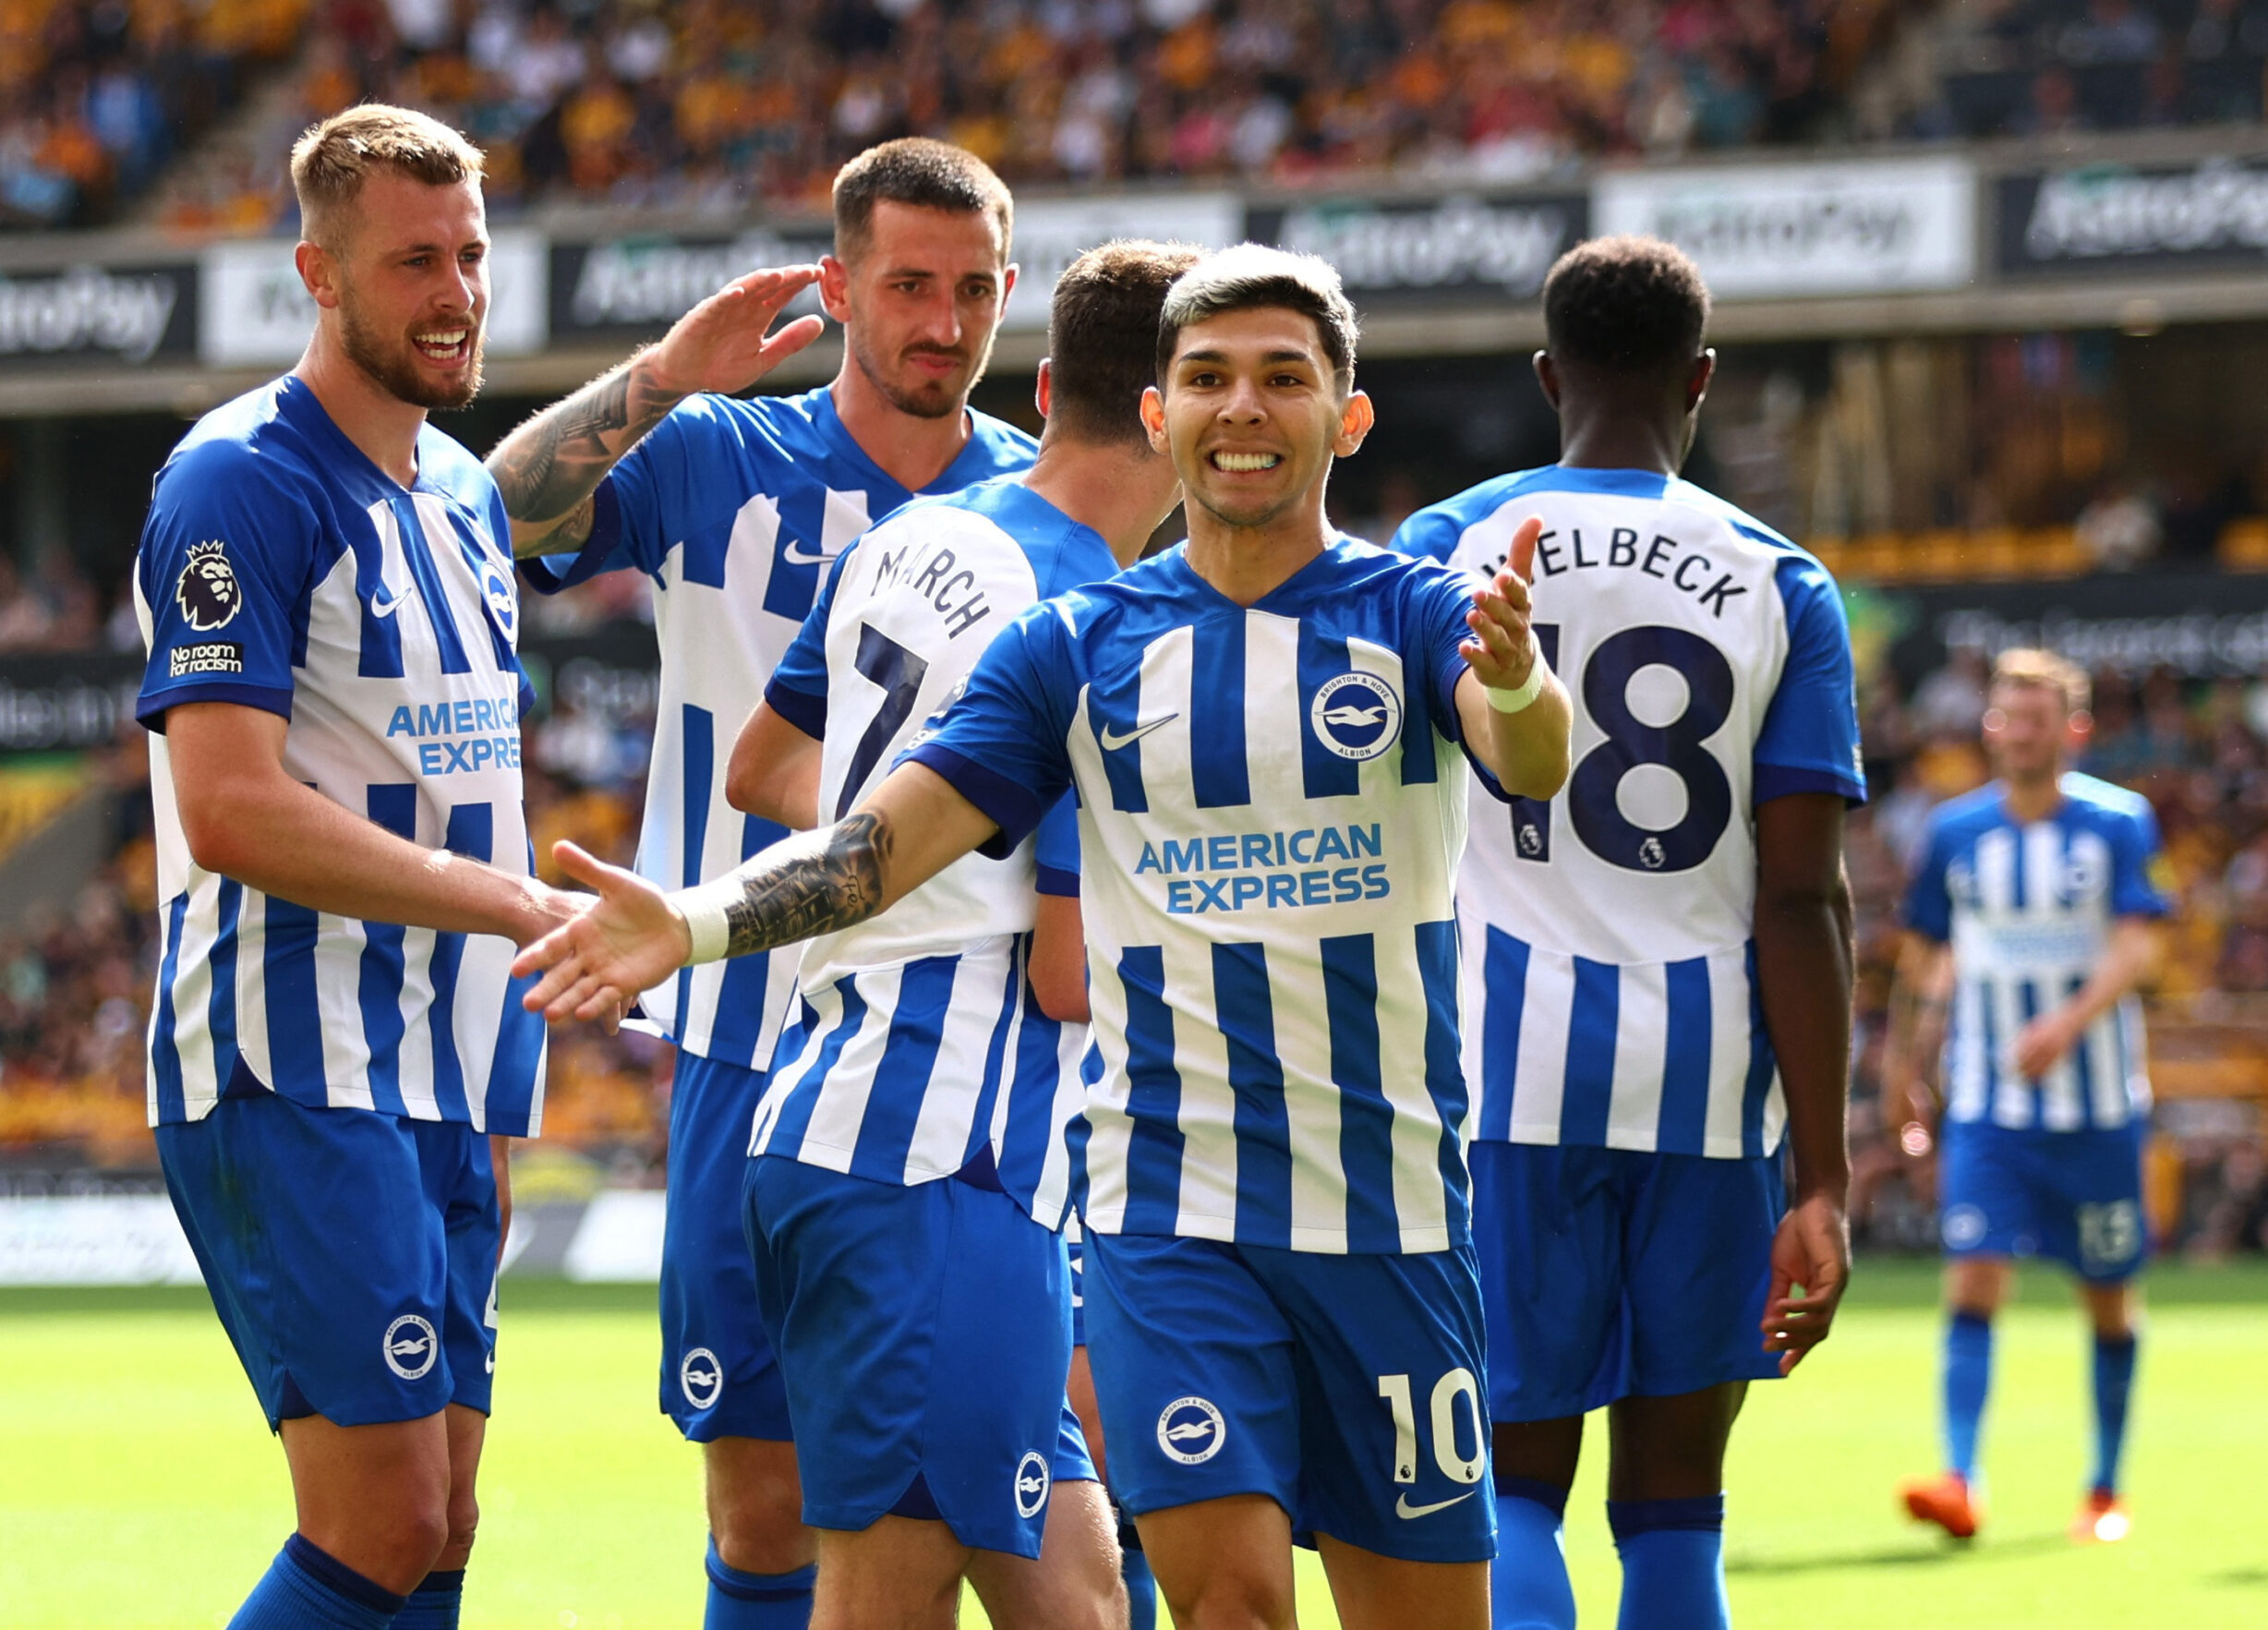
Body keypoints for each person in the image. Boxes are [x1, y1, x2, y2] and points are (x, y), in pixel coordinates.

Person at [512, 243, 1576, 1630]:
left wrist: (1523, 678)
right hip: (1163, 1214)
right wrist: (695, 922)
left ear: (1346, 415)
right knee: (1223, 1607)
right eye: (1206, 378)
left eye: (1281, 379)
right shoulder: (1071, 641)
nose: (1241, 409)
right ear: (1157, 412)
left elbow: (1528, 758)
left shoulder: (1411, 609)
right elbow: (877, 842)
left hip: (1387, 1212)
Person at [484, 138, 1040, 1627]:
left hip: (972, 1054)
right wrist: (666, 374)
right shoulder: (723, 451)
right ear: (839, 287)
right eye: (909, 285)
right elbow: (500, 521)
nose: (944, 322)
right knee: (765, 1504)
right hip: (746, 1031)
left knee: (1029, 1497)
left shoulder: (1048, 509)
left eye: (975, 289)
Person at [718, 238, 1204, 1628]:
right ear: (1174, 415)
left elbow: (765, 767)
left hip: (864, 1126)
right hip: (937, 1153)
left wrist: (941, 843)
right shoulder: (1093, 624)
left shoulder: (913, 533)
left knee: (1082, 1594)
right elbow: (1066, 974)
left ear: (1048, 387)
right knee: (886, 1595)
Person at [135, 104, 576, 1630]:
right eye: (412, 262)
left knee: (444, 1522)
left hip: (453, 1072)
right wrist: (519, 906)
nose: (454, 291)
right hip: (292, 1059)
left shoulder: (459, 496)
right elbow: (232, 809)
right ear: (318, 275)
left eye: (468, 255)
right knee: (379, 1523)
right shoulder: (239, 482)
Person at [1391, 235, 1862, 1630]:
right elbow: (1803, 894)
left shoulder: (1445, 546)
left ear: (1548, 377)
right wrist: (1823, 1176)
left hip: (1504, 1077)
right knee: (1675, 1506)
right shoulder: (1784, 582)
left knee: (1514, 1486)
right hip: (1712, 1095)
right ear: (1701, 381)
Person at [1886, 647, 2166, 1546]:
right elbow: (1926, 958)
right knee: (1971, 1277)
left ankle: (2103, 1488)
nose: (2018, 731)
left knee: (2108, 1296)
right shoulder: (1955, 832)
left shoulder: (2117, 824)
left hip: (2096, 1110)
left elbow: (2138, 946)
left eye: (2037, 717)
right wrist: (1903, 1067)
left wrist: (2067, 1023)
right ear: (1989, 727)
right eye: (2006, 716)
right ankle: (1959, 1477)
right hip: (1989, 1106)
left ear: (2071, 730)